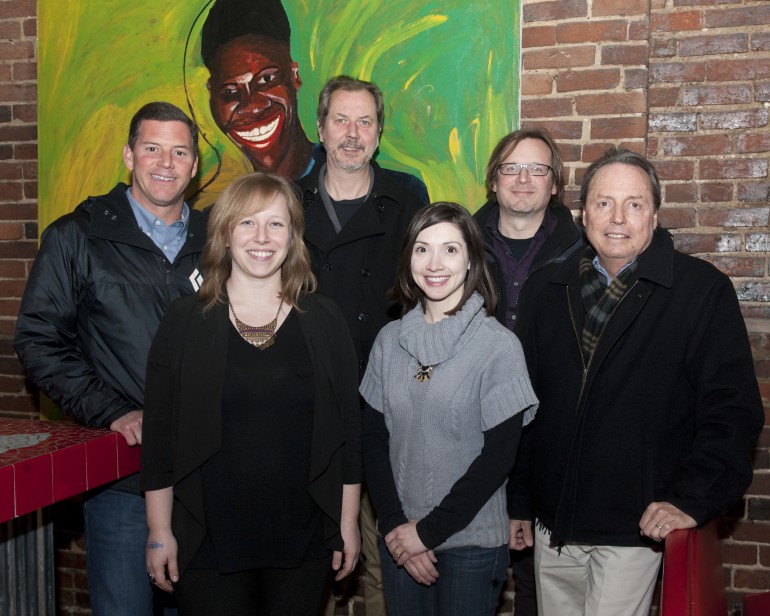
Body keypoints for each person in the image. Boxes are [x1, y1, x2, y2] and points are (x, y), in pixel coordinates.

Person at [511, 147, 764, 616]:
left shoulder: (701, 292)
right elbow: (525, 406)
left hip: (634, 530)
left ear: (654, 215)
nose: (618, 218)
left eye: (634, 204)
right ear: (583, 213)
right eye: (604, 203)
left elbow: (731, 413)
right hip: (553, 526)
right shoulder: (547, 290)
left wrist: (692, 499)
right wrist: (520, 500)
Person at [13, 102, 204, 615]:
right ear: (129, 155)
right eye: (152, 148)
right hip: (125, 478)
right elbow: (37, 339)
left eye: (179, 151)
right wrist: (112, 411)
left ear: (195, 164)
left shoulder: (220, 242)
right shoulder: (77, 235)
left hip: (208, 475)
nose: (166, 162)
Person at [140, 172, 362, 615]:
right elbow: (160, 438)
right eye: (247, 223)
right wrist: (159, 530)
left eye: (276, 224)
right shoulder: (185, 320)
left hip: (302, 539)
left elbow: (348, 435)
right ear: (224, 233)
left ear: (293, 236)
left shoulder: (325, 319)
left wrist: (348, 522)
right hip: (206, 540)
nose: (262, 237)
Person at [361, 202, 538, 616]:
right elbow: (372, 441)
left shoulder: (499, 347)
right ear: (408, 260)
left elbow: (497, 460)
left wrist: (427, 533)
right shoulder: (389, 341)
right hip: (398, 538)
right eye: (422, 249)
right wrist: (394, 526)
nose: (434, 263)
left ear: (473, 259)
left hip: (472, 544)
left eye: (450, 250)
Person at [298, 74, 426, 616]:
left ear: (378, 132)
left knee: (387, 544)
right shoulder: (290, 199)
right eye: (341, 121)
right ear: (320, 128)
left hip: (388, 397)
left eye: (365, 122)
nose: (353, 134)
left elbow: (430, 290)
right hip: (307, 396)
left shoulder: (407, 196)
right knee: (308, 545)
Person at [473, 127, 583, 616]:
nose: (523, 179)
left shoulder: (585, 253)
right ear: (493, 181)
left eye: (537, 169)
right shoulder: (460, 245)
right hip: (474, 427)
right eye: (511, 168)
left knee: (543, 581)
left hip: (552, 431)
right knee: (474, 570)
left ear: (554, 184)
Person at [198, 0, 429, 204]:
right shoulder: (229, 211)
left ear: (294, 75)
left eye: (267, 79)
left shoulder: (403, 196)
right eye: (229, 91)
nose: (252, 105)